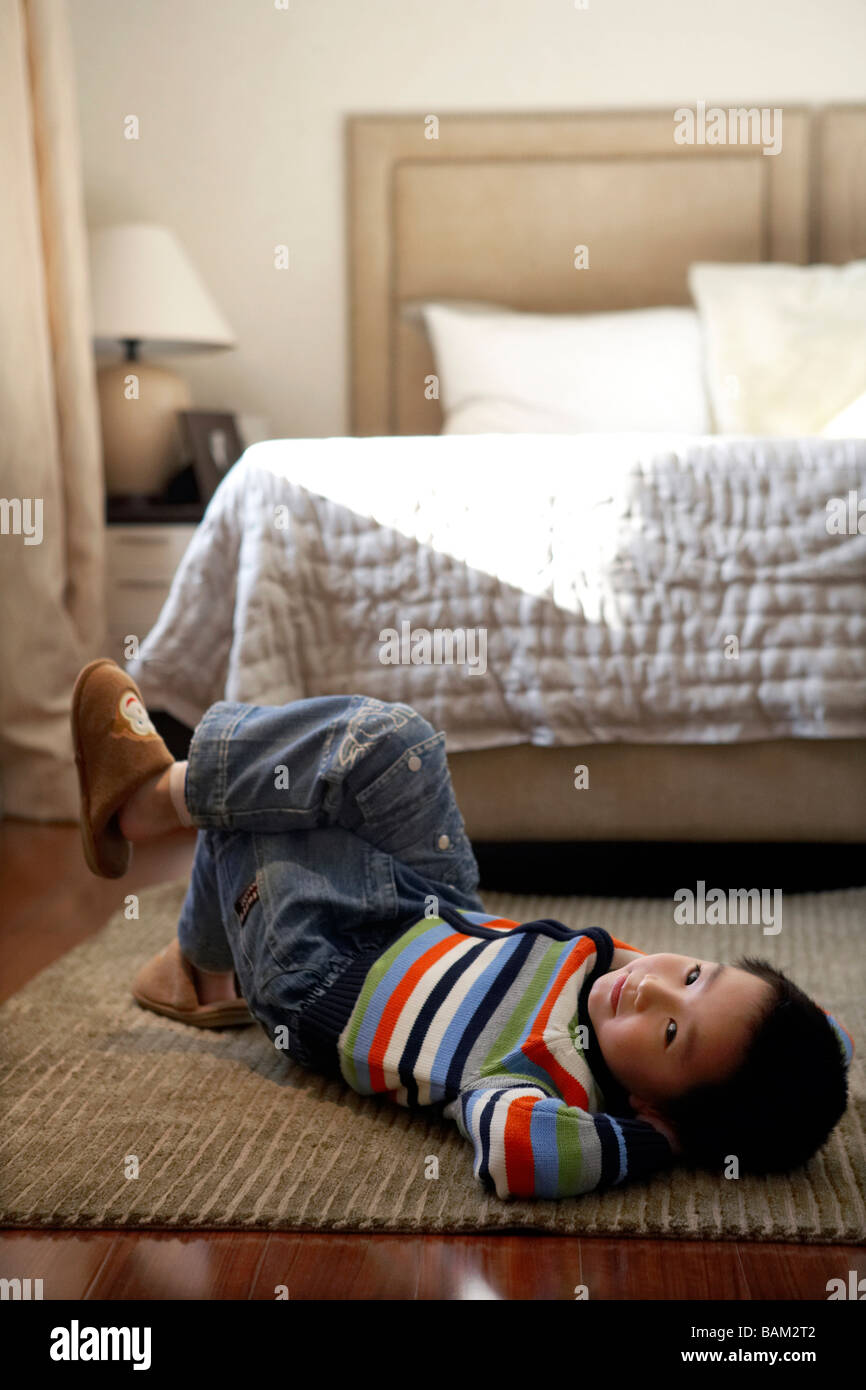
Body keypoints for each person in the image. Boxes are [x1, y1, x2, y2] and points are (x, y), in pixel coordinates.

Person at [71, 659, 853, 1200]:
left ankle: (166, 849)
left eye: (672, 1034)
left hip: (317, 972)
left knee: (274, 821)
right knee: (393, 746)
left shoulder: (549, 1085)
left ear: (653, 1109)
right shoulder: (627, 984)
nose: (649, 988)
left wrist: (666, 1144)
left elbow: (518, 1160)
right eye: (692, 976)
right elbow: (801, 1034)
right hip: (427, 908)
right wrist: (813, 1041)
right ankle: (190, 905)